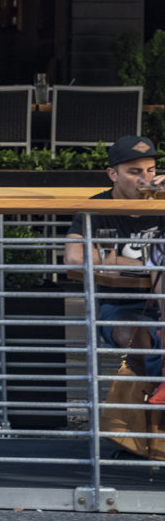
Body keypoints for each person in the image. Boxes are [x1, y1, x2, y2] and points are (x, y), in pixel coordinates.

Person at [64, 135, 165, 380]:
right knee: (136, 342)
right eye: (134, 171)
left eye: (151, 170)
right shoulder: (98, 207)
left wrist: (110, 259)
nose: (145, 179)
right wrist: (146, 264)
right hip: (118, 305)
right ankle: (149, 406)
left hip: (159, 305)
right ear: (113, 174)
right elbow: (74, 257)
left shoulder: (161, 203)